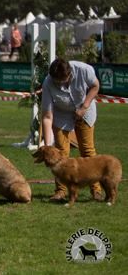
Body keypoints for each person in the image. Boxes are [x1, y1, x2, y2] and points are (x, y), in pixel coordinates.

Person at [41, 58, 104, 201]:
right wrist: (46, 145)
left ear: (69, 75)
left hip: (85, 109)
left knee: (87, 151)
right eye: (56, 81)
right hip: (61, 115)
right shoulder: (48, 82)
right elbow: (47, 116)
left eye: (61, 81)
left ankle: (96, 190)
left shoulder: (84, 70)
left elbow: (95, 86)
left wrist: (84, 106)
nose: (59, 84)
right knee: (60, 153)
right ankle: (61, 191)